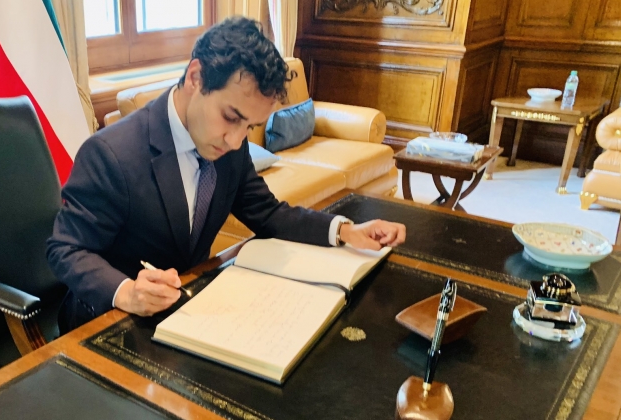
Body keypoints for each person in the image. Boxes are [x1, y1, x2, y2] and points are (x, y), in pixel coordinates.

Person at [47, 17, 406, 332]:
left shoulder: (229, 149)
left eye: (249, 126)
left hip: (187, 309)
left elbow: (268, 213)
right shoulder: (111, 153)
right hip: (109, 319)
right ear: (195, 77)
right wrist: (126, 291)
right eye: (232, 117)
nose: (236, 141)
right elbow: (65, 248)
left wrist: (345, 231)